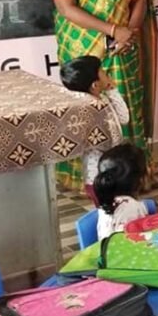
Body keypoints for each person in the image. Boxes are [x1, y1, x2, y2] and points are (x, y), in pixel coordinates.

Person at [48, 0, 156, 191]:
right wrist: (112, 30)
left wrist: (129, 33)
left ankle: (131, 175)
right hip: (83, 48)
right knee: (87, 114)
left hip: (123, 46)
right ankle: (91, 180)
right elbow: (66, 8)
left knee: (125, 109)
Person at [58, 55, 130, 206]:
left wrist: (111, 91)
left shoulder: (99, 100)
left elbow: (123, 119)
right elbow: (118, 127)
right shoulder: (94, 109)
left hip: (104, 175)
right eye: (102, 71)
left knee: (111, 212)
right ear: (95, 85)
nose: (106, 73)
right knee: (111, 213)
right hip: (101, 178)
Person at [93, 143, 149, 240]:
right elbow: (132, 244)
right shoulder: (132, 208)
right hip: (127, 252)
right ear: (141, 179)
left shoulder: (107, 202)